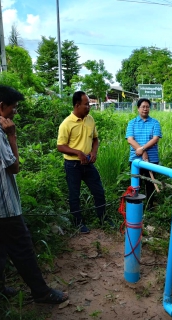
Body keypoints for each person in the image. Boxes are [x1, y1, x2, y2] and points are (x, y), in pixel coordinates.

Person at [0, 84, 68, 304]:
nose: (15, 112)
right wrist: (13, 136)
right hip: (4, 204)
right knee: (23, 248)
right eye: (14, 107)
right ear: (1, 106)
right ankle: (41, 292)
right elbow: (14, 167)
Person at [57, 91, 107, 234]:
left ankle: (103, 218)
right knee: (74, 195)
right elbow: (60, 146)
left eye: (89, 104)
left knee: (98, 191)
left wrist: (94, 152)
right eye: (86, 104)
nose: (89, 107)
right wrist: (78, 152)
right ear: (77, 105)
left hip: (88, 164)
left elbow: (95, 139)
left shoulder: (90, 119)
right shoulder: (66, 124)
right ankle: (79, 223)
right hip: (73, 165)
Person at [125, 98, 162, 208]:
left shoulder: (155, 122)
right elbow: (130, 139)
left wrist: (143, 149)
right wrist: (141, 152)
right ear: (138, 108)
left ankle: (149, 205)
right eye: (143, 107)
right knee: (136, 183)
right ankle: (136, 206)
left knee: (150, 183)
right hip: (135, 159)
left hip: (152, 159)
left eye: (147, 107)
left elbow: (155, 138)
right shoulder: (132, 123)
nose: (145, 109)